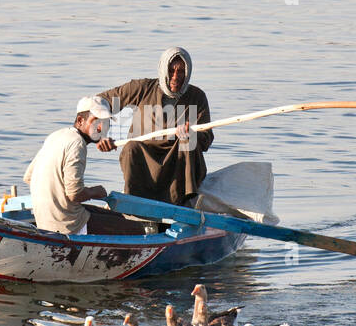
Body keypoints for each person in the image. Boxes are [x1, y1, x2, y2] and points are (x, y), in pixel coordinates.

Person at [95, 47, 213, 205]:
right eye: (171, 71)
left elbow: (206, 140)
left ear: (188, 72)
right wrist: (103, 136)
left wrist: (191, 134)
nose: (176, 77)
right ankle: (134, 204)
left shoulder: (197, 97)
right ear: (163, 69)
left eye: (181, 71)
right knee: (132, 147)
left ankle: (184, 203)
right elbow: (101, 101)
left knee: (187, 142)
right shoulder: (142, 89)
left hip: (178, 162)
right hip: (146, 159)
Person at [22, 96, 145, 236]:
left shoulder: (56, 135)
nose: (101, 127)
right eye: (96, 121)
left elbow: (29, 177)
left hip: (44, 219)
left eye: (106, 123)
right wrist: (95, 192)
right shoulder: (77, 144)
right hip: (67, 225)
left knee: (118, 217)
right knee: (137, 229)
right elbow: (75, 194)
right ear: (80, 121)